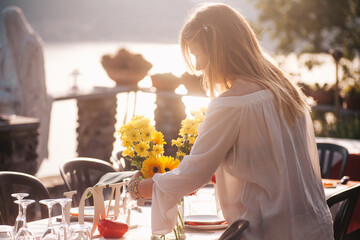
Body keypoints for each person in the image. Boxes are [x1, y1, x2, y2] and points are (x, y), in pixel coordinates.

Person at [128, 3, 334, 239]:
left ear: (217, 50)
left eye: (196, 54)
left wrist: (135, 188)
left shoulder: (232, 104)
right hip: (314, 227)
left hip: (271, 232)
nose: (197, 66)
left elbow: (193, 176)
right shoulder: (285, 90)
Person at [0, 6, 52, 166]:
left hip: (31, 102)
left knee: (32, 143)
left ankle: (28, 176)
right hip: (10, 104)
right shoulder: (6, 48)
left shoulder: (31, 45)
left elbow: (38, 78)